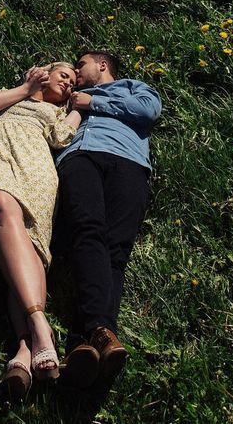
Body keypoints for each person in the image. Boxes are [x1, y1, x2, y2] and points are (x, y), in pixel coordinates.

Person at [0, 62, 81, 399]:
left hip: (37, 170)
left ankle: (24, 352)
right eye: (64, 76)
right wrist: (26, 88)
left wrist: (77, 109)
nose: (69, 84)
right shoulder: (16, 97)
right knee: (0, 204)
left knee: (32, 250)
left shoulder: (57, 114)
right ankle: (41, 326)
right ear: (42, 72)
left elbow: (63, 137)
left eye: (73, 83)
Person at [55, 50, 161, 388]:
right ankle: (101, 335)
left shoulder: (134, 87)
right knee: (88, 232)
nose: (75, 70)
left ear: (102, 65)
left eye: (80, 64)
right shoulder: (68, 97)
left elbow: (147, 112)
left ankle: (84, 343)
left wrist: (92, 103)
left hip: (129, 163)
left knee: (116, 250)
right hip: (82, 156)